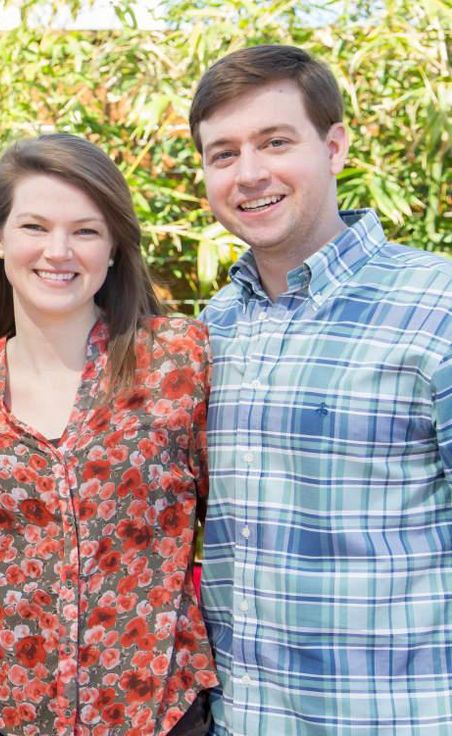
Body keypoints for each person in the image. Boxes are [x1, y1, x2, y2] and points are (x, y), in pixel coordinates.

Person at [189, 44, 452, 735]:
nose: (249, 174)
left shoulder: (439, 307)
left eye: (275, 142)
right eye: (223, 154)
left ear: (333, 146)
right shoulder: (210, 332)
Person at [0, 133, 218, 736]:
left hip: (155, 714)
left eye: (85, 231)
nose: (58, 251)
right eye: (35, 226)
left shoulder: (177, 361)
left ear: (114, 246)